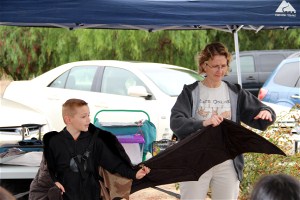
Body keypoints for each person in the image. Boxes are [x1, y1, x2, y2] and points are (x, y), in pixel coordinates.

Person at [170, 42, 276, 200]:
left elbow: (260, 110)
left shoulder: (235, 92)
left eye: (223, 66)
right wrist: (204, 123)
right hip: (195, 160)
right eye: (215, 66)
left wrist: (266, 112)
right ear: (204, 65)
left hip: (227, 162)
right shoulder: (190, 92)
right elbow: (176, 122)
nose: (220, 71)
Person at [44, 98, 150, 200]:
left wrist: (134, 174)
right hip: (66, 196)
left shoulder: (95, 140)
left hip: (92, 195)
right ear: (68, 119)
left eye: (88, 115)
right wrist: (54, 182)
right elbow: (48, 171)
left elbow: (114, 164)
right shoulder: (54, 142)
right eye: (83, 116)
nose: (89, 120)